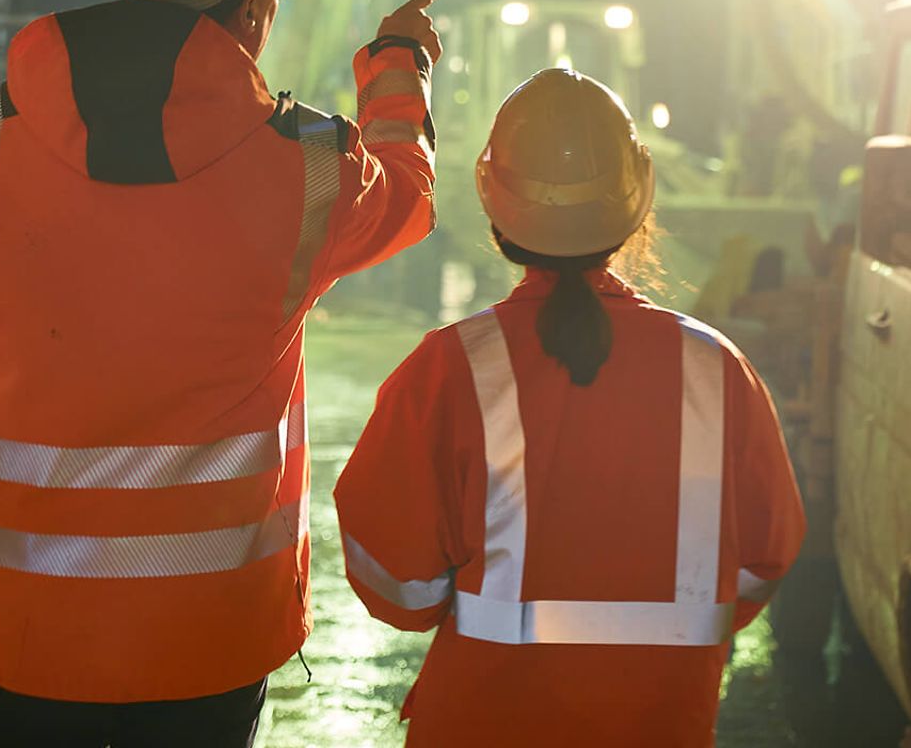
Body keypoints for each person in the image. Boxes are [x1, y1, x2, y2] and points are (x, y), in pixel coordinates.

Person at [0, 0, 445, 746]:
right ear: (256, 5)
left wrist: (31, 383)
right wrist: (397, 63)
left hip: (23, 628)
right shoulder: (313, 173)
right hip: (208, 635)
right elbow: (407, 200)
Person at [334, 68, 805, 746]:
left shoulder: (449, 367)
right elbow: (765, 558)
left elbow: (397, 587)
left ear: (494, 199)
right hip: (665, 724)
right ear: (637, 196)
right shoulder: (717, 369)